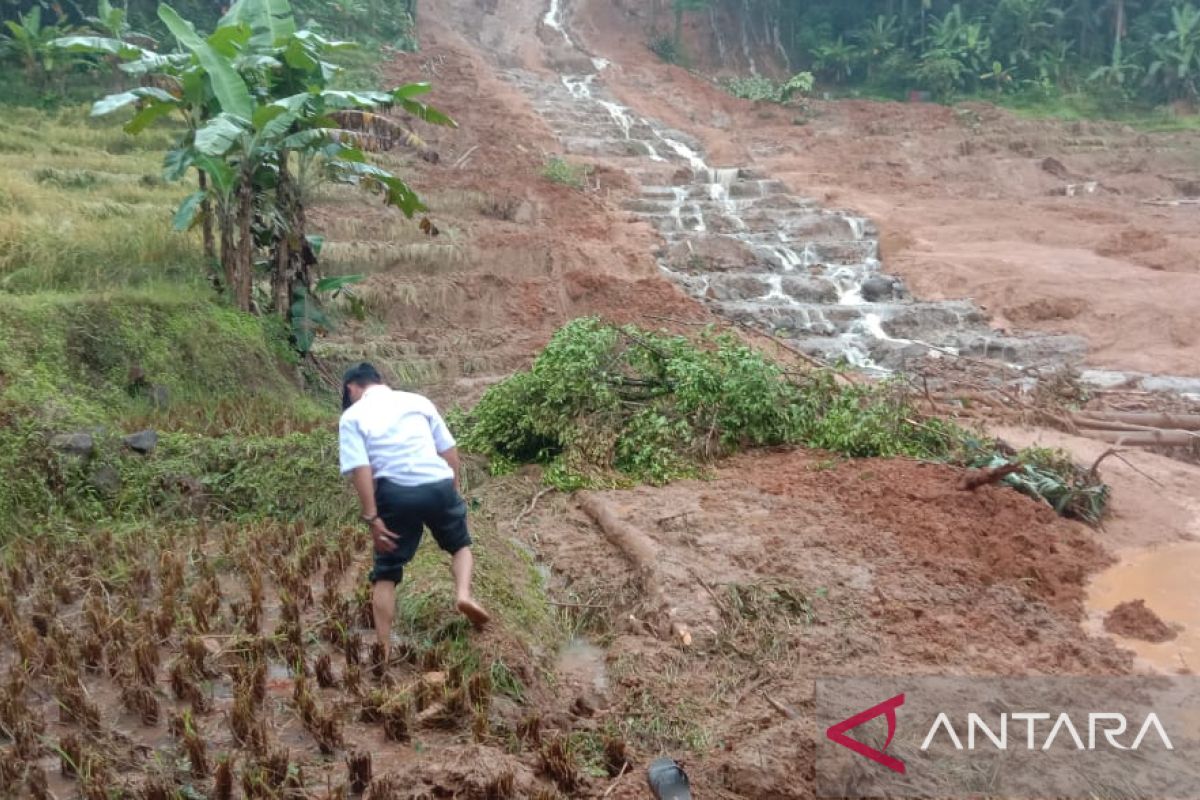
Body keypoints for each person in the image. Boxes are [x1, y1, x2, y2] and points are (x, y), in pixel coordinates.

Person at [338, 363, 490, 658]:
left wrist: (372, 517)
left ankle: (383, 646)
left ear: (352, 388)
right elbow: (449, 452)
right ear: (380, 381)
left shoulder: (352, 416)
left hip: (396, 492)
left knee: (386, 573)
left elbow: (361, 468)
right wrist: (452, 492)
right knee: (460, 546)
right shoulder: (418, 401)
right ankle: (463, 595)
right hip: (438, 483)